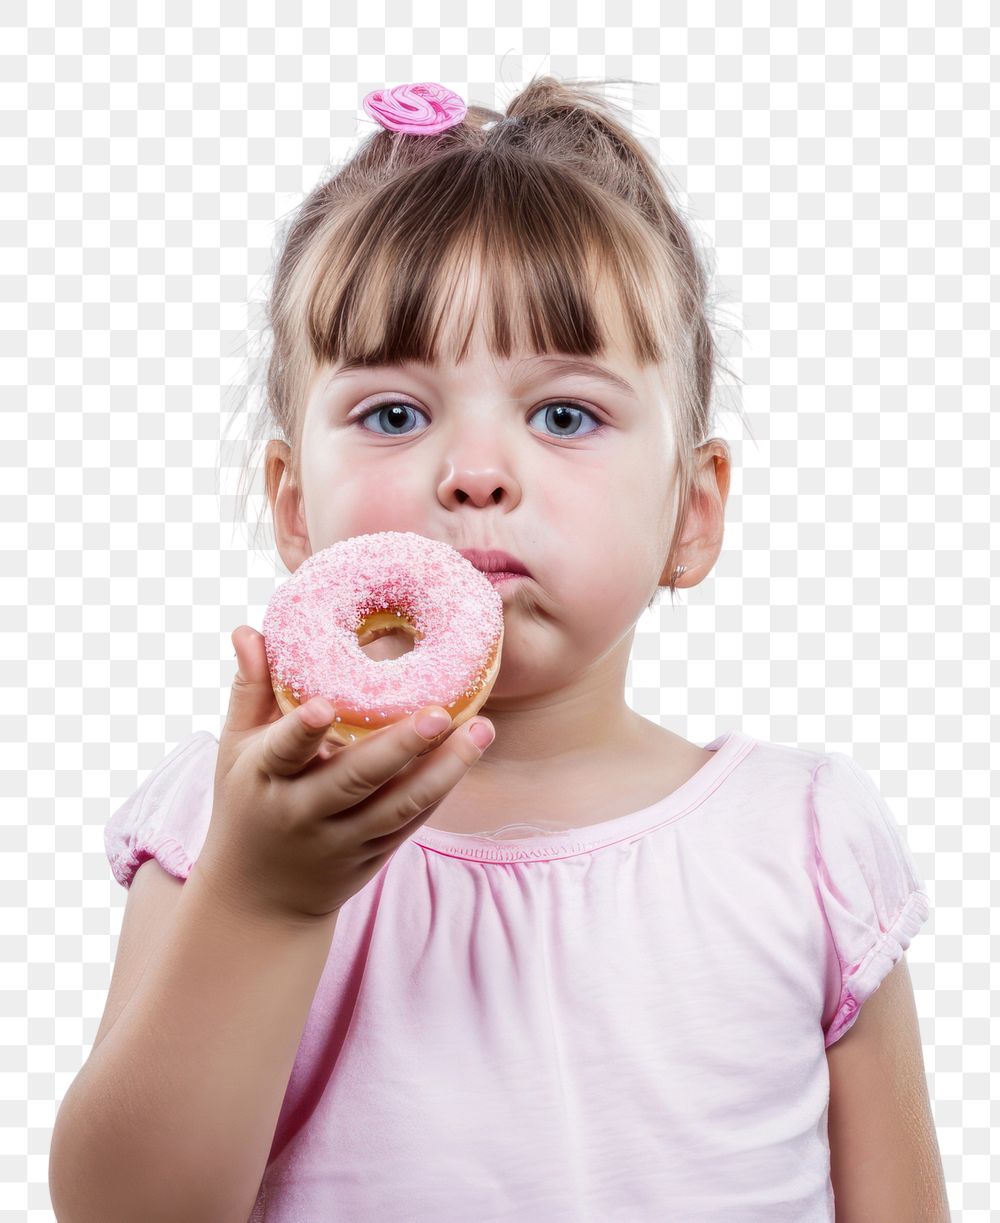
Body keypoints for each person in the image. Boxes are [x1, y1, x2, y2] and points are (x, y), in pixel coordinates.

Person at [49, 75, 948, 1222]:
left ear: (692, 512)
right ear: (292, 506)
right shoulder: (238, 813)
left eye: (564, 414)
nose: (474, 471)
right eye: (392, 414)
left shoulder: (804, 837)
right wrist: (263, 901)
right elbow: (124, 1210)